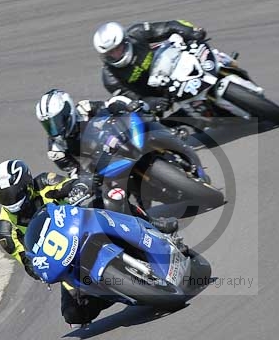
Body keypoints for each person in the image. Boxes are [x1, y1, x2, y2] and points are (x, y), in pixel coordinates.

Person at [34, 88, 179, 234]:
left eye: (56, 121)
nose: (55, 128)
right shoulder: (56, 150)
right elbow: (74, 172)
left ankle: (173, 136)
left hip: (117, 142)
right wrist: (82, 185)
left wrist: (124, 106)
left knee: (142, 117)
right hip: (102, 169)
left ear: (67, 111)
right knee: (111, 201)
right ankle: (153, 225)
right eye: (49, 125)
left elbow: (110, 105)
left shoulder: (84, 109)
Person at [0, 158, 114, 329]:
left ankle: (151, 225)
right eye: (3, 195)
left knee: (110, 198)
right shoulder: (5, 230)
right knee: (73, 315)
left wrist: (79, 187)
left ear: (26, 184)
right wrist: (42, 270)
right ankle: (119, 293)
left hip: (82, 227)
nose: (10, 199)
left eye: (13, 193)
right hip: (66, 259)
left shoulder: (44, 182)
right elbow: (28, 263)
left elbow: (69, 185)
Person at [92, 20, 207, 112]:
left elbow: (169, 27)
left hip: (171, 70)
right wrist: (149, 102)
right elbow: (131, 100)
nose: (115, 54)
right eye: (110, 53)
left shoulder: (137, 33)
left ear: (125, 41)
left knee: (193, 50)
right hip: (155, 97)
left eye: (117, 49)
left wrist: (192, 32)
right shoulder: (110, 78)